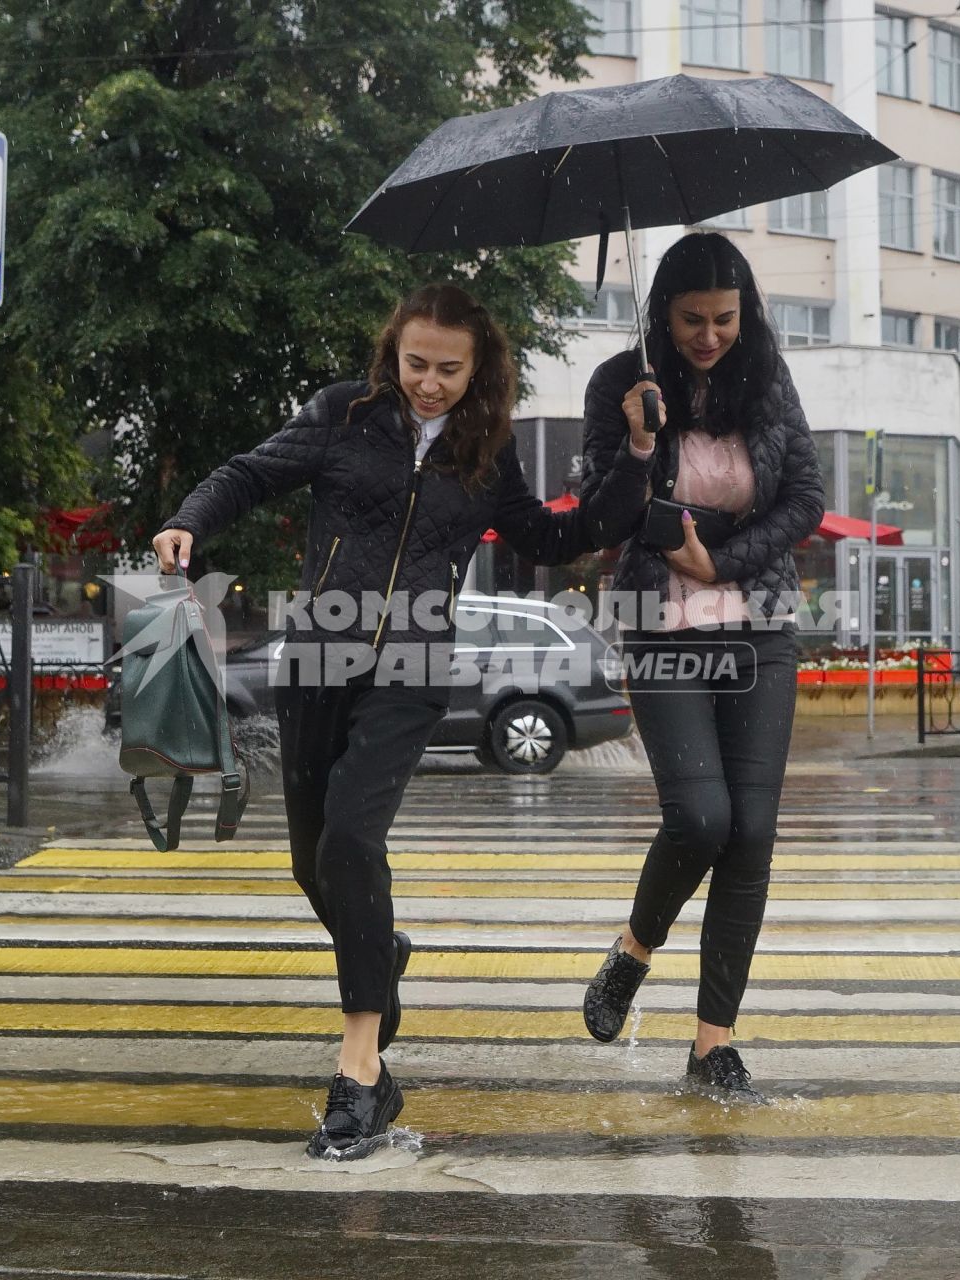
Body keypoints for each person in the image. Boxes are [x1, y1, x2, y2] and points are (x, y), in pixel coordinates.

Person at [152, 282, 652, 1159]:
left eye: (449, 369)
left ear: (478, 367)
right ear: (394, 353)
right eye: (416, 363)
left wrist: (636, 455)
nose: (429, 383)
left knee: (351, 839)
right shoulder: (342, 414)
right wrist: (188, 521)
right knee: (316, 866)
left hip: (412, 670)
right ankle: (383, 952)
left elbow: (554, 536)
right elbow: (248, 473)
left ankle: (359, 1076)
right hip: (317, 660)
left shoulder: (485, 454)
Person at [576, 232, 826, 1102]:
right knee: (702, 818)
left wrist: (721, 563)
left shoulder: (769, 378)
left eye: (725, 319)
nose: (709, 336)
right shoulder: (621, 382)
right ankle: (634, 950)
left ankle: (712, 1044)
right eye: (692, 320)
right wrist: (640, 447)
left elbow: (805, 498)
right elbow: (600, 514)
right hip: (658, 623)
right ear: (664, 315)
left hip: (758, 624)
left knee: (752, 834)